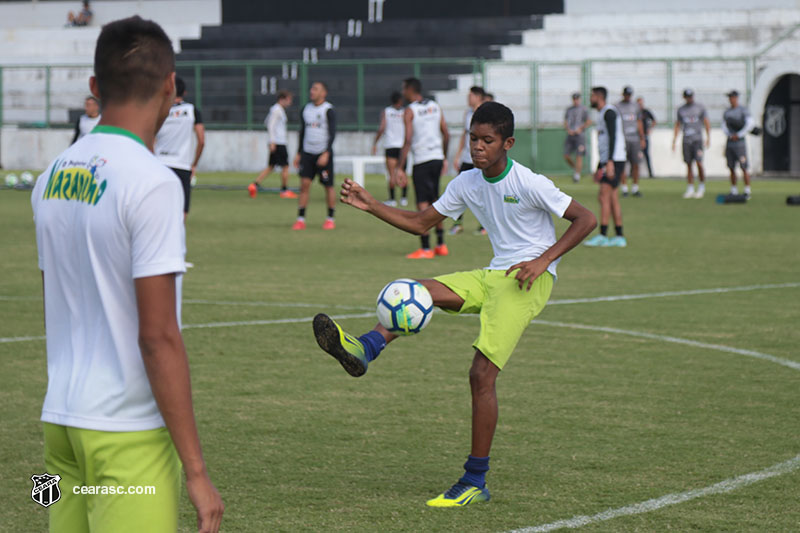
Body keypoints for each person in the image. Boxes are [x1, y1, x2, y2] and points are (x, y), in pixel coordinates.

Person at [312, 101, 596, 507]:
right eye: (473, 139)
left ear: (507, 143)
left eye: (487, 140)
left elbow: (586, 219)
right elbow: (419, 224)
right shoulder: (467, 183)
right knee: (417, 291)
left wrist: (542, 260)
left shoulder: (529, 182)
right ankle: (365, 349)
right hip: (494, 274)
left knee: (481, 375)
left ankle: (475, 480)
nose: (478, 147)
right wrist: (371, 204)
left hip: (526, 280)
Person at [30, 16, 223, 533]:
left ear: (94, 87)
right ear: (169, 87)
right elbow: (158, 336)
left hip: (60, 426)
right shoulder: (154, 184)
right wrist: (197, 472)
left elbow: (56, 300)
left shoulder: (50, 177)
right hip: (126, 434)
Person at [396, 77, 449, 258]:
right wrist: (444, 156)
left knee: (422, 203)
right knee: (436, 200)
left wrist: (399, 168)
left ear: (410, 90)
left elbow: (408, 139)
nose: (402, 93)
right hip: (436, 158)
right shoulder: (434, 106)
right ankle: (441, 245)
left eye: (404, 89)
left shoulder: (410, 111)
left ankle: (426, 248)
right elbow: (446, 133)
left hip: (422, 160)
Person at [154, 76, 205, 219]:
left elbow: (150, 138)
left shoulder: (159, 110)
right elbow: (201, 140)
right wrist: (194, 164)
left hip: (160, 164)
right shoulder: (192, 110)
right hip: (182, 166)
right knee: (182, 211)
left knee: (159, 210)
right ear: (185, 93)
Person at [585, 86, 627, 247]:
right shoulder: (603, 113)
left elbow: (613, 137)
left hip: (614, 160)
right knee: (613, 197)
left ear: (599, 97)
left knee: (603, 196)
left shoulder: (609, 112)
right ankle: (619, 236)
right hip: (610, 160)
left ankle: (602, 235)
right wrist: (600, 164)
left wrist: (609, 162)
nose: (590, 99)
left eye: (592, 96)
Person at [292, 81, 337, 230]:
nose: (312, 91)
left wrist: (326, 152)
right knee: (304, 185)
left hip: (323, 154)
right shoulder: (306, 109)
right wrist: (298, 153)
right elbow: (302, 132)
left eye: (315, 89)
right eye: (311, 88)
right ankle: (300, 219)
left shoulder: (328, 110)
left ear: (323, 93)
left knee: (328, 186)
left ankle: (330, 218)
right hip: (307, 153)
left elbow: (332, 133)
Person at [450, 85, 487, 235]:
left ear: (478, 97)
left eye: (470, 95)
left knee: (482, 192)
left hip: (479, 158)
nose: (468, 98)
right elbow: (464, 135)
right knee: (460, 189)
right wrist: (458, 155)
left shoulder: (484, 113)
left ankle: (484, 226)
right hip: (466, 157)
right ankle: (458, 224)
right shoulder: (467, 113)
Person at [249, 90, 296, 199]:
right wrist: (272, 141)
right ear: (282, 99)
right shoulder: (277, 110)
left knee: (271, 166)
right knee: (285, 166)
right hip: (279, 142)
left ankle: (254, 185)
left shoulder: (277, 110)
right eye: (288, 100)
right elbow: (270, 125)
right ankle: (284, 190)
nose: (290, 102)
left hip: (277, 141)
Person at [672, 89, 710, 199]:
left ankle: (701, 186)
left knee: (699, 163)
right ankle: (690, 188)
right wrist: (674, 140)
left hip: (697, 140)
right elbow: (678, 125)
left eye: (690, 96)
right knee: (688, 164)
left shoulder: (700, 107)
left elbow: (706, 122)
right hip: (686, 140)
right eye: (687, 97)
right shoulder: (681, 110)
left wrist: (708, 137)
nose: (689, 99)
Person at [371, 91, 407, 207]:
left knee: (391, 174)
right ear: (400, 100)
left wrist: (375, 142)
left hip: (391, 146)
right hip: (402, 147)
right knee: (403, 173)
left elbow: (381, 128)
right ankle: (404, 197)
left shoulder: (387, 112)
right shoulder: (406, 112)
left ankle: (392, 199)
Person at [722, 90, 754, 198]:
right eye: (730, 97)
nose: (731, 99)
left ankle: (747, 190)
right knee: (731, 167)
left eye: (732, 97)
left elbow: (750, 124)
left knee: (744, 167)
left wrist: (739, 135)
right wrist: (730, 135)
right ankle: (734, 190)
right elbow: (724, 126)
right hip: (730, 142)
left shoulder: (743, 110)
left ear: (736, 98)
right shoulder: (727, 112)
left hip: (740, 143)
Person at [616, 86, 645, 197]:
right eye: (626, 94)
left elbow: (639, 122)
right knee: (623, 164)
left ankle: (635, 188)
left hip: (635, 139)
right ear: (623, 94)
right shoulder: (617, 106)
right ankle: (624, 188)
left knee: (636, 164)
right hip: (622, 140)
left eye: (629, 95)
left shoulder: (635, 106)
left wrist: (642, 138)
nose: (628, 97)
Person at [563, 92, 591, 183]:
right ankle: (576, 168)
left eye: (577, 99)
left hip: (580, 136)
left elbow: (588, 121)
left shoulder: (584, 109)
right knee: (566, 155)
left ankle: (577, 175)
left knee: (579, 155)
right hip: (570, 135)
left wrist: (580, 129)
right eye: (574, 99)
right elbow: (566, 121)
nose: (576, 101)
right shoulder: (569, 109)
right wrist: (568, 129)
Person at [637, 97, 656, 178]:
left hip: (644, 136)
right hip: (636, 137)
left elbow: (654, 121)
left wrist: (650, 129)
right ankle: (632, 173)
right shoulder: (635, 112)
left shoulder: (646, 112)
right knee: (634, 156)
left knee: (646, 155)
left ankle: (650, 173)